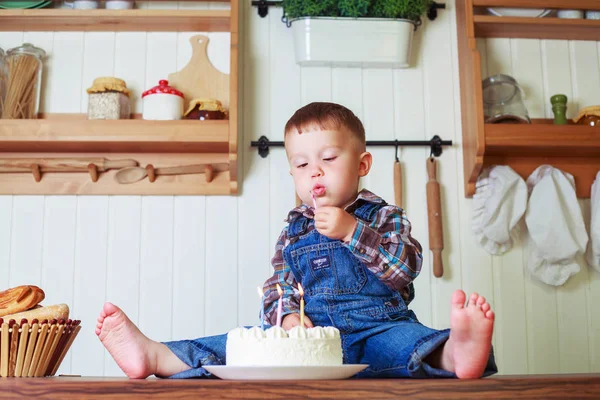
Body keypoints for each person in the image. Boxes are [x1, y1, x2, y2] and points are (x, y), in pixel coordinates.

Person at [96, 102, 497, 379]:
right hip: (309, 342)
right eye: (302, 164)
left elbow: (403, 269)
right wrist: (287, 318)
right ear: (293, 175)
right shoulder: (294, 229)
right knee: (238, 346)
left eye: (329, 159)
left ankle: (457, 352)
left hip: (377, 329)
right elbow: (279, 284)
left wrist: (351, 231)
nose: (315, 173)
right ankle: (155, 355)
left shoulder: (384, 216)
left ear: (362, 165)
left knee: (410, 346)